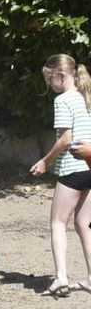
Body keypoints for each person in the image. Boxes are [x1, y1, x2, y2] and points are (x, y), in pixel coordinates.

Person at [31, 54, 91, 295]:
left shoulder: (63, 100)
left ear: (61, 75)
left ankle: (61, 278)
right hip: (89, 168)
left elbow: (66, 139)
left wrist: (45, 161)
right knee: (84, 224)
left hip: (72, 169)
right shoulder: (86, 97)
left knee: (57, 222)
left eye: (50, 79)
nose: (50, 85)